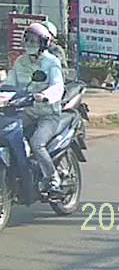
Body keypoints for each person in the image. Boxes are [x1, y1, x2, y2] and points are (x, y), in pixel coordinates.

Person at [10, 22, 66, 192]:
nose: (29, 44)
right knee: (9, 135)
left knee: (37, 143)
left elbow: (57, 86)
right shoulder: (20, 62)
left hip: (48, 114)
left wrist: (46, 96)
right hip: (25, 112)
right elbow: (9, 84)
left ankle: (53, 178)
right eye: (27, 40)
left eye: (34, 41)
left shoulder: (51, 62)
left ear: (43, 43)